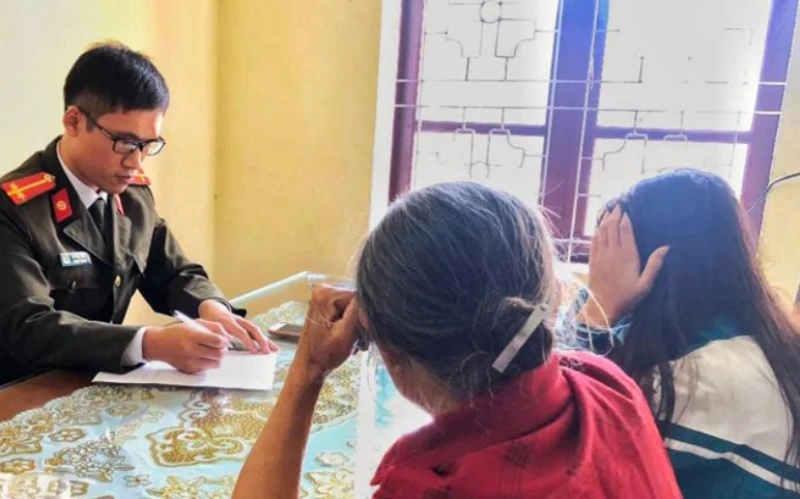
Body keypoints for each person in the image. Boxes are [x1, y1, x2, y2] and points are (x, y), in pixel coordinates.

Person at [233, 182, 680, 498]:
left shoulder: (432, 486)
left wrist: (308, 370)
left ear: (390, 352)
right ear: (549, 298)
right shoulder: (608, 387)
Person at [0, 43, 277, 384]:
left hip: (92, 382)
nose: (136, 161)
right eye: (125, 143)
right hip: (20, 391)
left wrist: (211, 307)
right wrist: (149, 343)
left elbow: (173, 272)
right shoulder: (14, 209)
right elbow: (29, 327)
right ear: (73, 121)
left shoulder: (132, 193)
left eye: (148, 145)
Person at [578, 169, 800, 497]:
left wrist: (599, 310)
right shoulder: (771, 344)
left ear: (649, 268)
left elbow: (559, 446)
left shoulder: (685, 382)